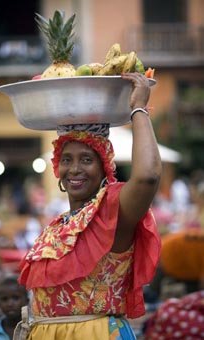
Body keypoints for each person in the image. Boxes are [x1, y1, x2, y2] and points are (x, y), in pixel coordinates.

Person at [16, 72, 162, 339]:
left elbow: (147, 176)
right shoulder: (58, 224)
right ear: (57, 167)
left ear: (104, 166)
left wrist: (139, 109)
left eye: (86, 160)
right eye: (67, 159)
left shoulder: (112, 209)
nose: (74, 169)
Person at [0, 275, 29, 340]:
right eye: (4, 299)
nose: (10, 304)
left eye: (16, 298)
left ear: (27, 301)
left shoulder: (35, 328)